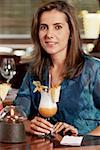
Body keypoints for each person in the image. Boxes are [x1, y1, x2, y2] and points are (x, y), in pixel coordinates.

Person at [13, 0, 100, 136]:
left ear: (71, 31)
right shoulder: (35, 71)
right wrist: (29, 125)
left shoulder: (93, 69)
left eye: (57, 27)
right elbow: (16, 114)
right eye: (43, 27)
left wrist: (80, 137)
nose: (49, 34)